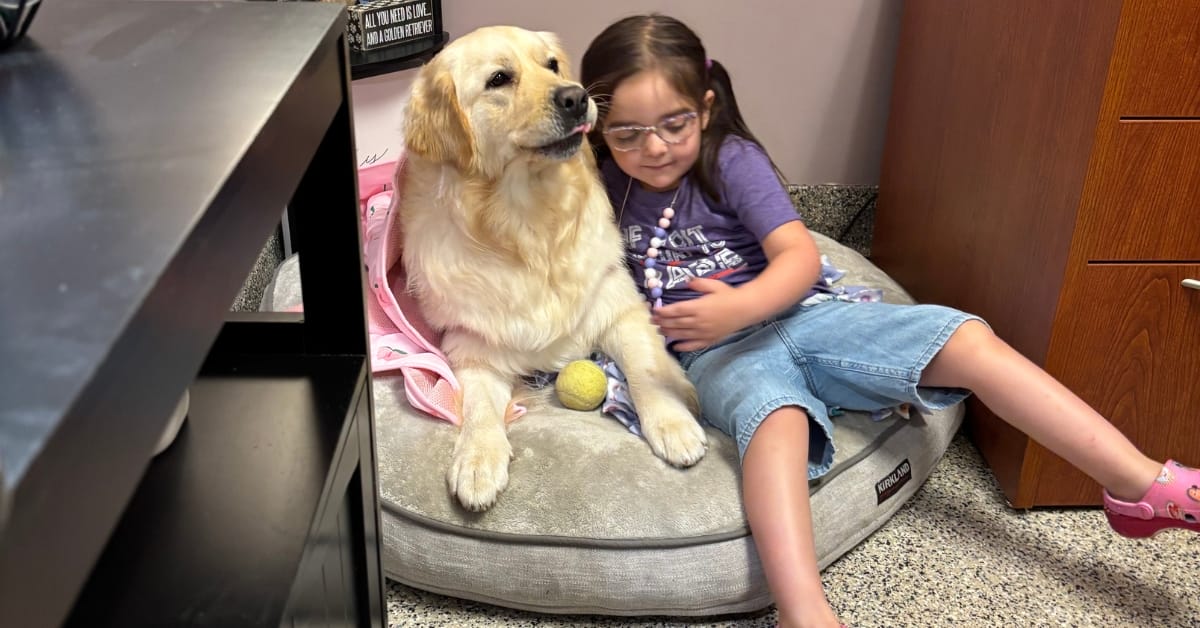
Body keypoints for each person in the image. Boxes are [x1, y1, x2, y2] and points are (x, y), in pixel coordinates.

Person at [579, 14, 1200, 628]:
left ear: (706, 107)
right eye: (627, 133)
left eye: (674, 124)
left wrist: (741, 305)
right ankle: (804, 613)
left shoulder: (731, 160)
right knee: (777, 420)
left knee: (966, 338)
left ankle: (1141, 485)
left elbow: (798, 257)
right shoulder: (595, 184)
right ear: (596, 125)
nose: (653, 148)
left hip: (807, 315)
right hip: (716, 356)